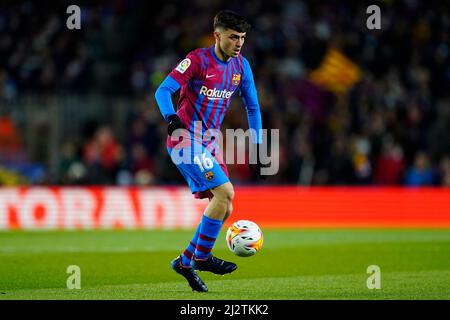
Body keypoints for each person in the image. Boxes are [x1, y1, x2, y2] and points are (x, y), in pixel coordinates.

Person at [154, 10, 264, 292]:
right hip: (184, 139)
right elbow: (162, 91)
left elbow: (252, 107)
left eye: (242, 38)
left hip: (209, 142)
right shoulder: (197, 60)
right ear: (217, 36)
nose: (239, 43)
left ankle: (185, 261)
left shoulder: (242, 66)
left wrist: (256, 145)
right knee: (224, 192)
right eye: (233, 37)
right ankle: (202, 258)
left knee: (226, 205)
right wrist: (171, 118)